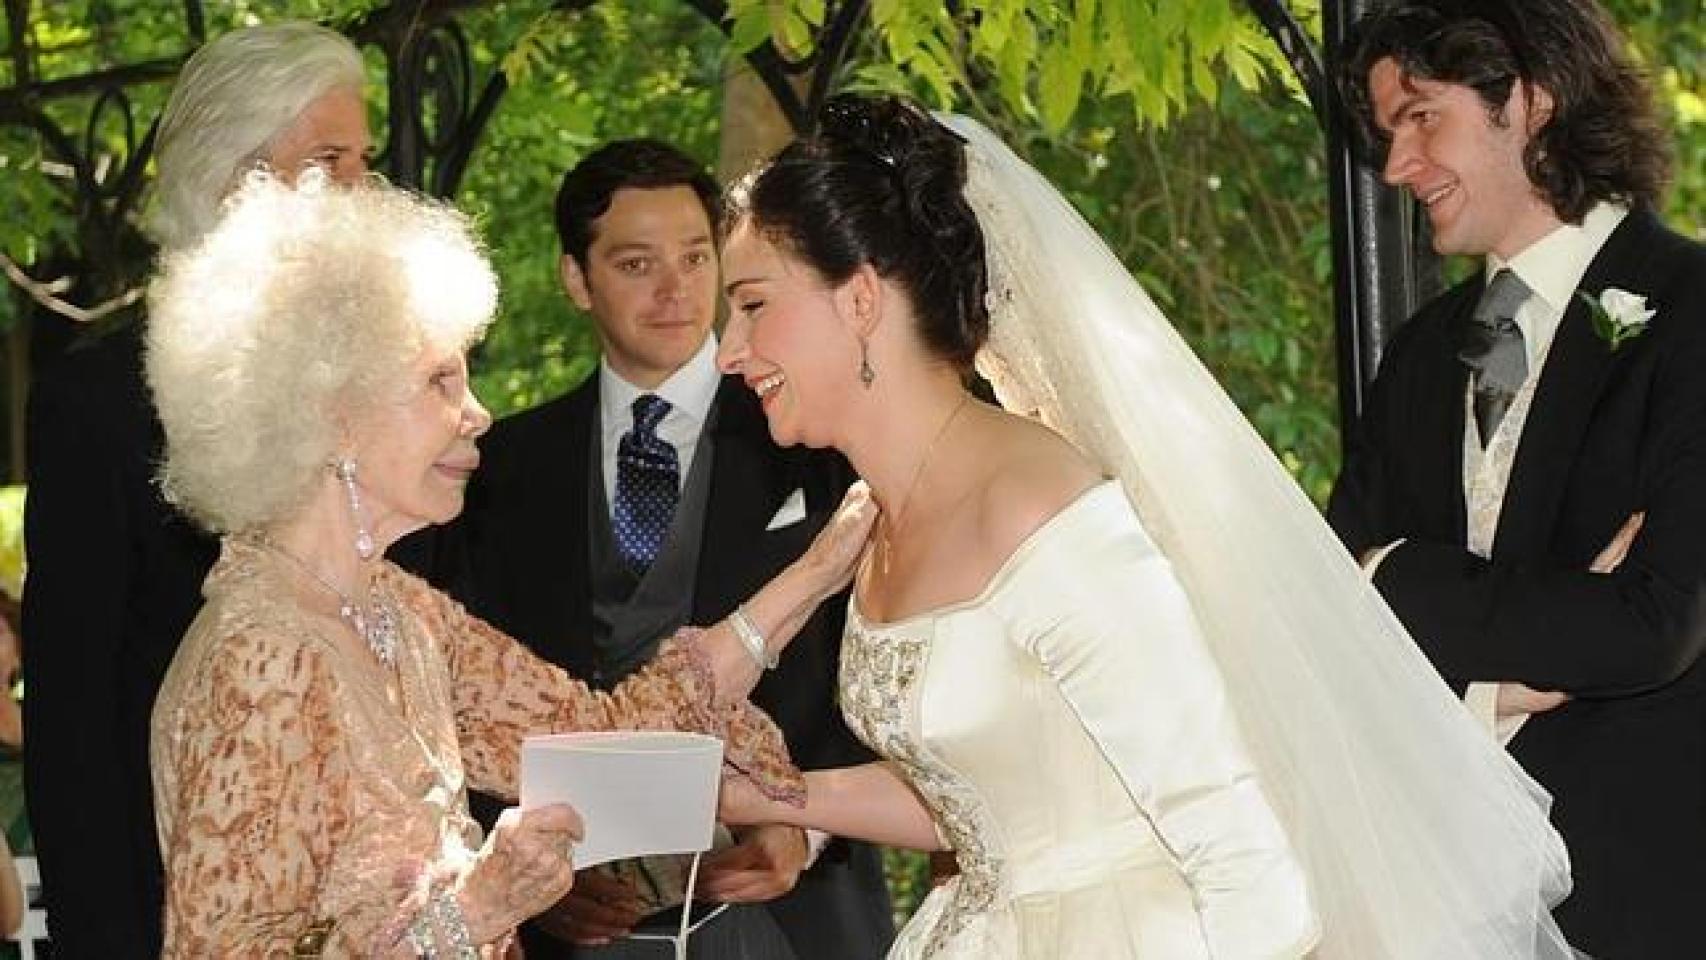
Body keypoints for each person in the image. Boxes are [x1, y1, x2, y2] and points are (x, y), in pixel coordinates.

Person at [714, 93, 1577, 958]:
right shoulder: (879, 526)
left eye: (752, 305)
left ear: (861, 298)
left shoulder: (1037, 507)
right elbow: (1001, 793)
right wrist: (778, 799)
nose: (728, 350)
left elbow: (1250, 871)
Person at [143, 175, 874, 956]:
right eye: (440, 380)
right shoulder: (262, 656)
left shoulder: (397, 609)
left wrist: (818, 572)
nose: (477, 411)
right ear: (334, 412)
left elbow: (603, 737)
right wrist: (480, 905)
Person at [400, 139, 892, 959]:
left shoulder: (816, 438)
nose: (676, 291)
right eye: (636, 264)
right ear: (574, 278)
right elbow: (451, 697)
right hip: (575, 931)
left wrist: (803, 829)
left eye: (696, 258)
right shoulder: (495, 470)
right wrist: (531, 874)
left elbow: (888, 652)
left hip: (795, 916)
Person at [1327, 1, 1706, 954]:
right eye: (1386, 135)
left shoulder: (1697, 311)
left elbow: (1656, 624)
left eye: (1422, 118)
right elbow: (1331, 635)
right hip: (1447, 904)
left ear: (1531, 101)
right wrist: (1498, 683)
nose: (1396, 168)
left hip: (1655, 902)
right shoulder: (1417, 359)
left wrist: (1395, 574)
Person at [20, 21, 372, 956]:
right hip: (175, 899)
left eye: (363, 162)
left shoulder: (388, 387)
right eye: (330, 161)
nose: (363, 193)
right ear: (233, 181)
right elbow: (74, 715)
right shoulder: (98, 402)